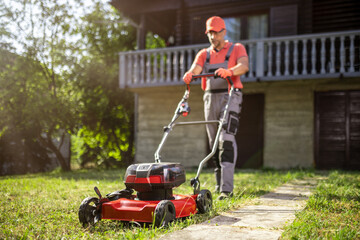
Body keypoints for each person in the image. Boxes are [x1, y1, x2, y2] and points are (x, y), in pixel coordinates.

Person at [182, 16, 249, 200]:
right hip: (209, 98)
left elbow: (244, 65)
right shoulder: (204, 53)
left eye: (216, 32)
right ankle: (219, 185)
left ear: (224, 32)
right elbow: (196, 68)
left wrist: (230, 71)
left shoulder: (237, 48)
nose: (213, 36)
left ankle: (227, 189)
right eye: (210, 33)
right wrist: (190, 74)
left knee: (226, 140)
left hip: (230, 95)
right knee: (213, 145)